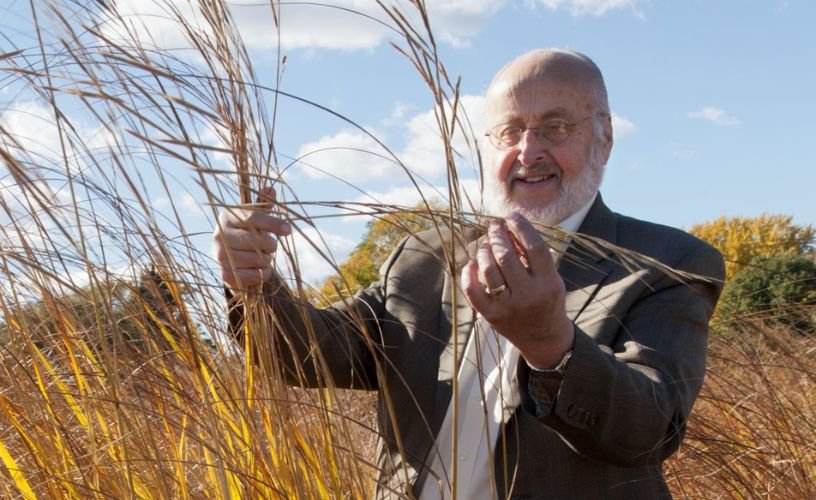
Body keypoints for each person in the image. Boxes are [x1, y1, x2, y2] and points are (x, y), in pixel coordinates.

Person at [214, 48, 724, 498]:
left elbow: (651, 430)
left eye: (556, 127)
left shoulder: (667, 262)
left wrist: (551, 345)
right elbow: (309, 357)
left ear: (605, 138)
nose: (528, 151)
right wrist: (254, 286)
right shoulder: (424, 256)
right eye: (509, 132)